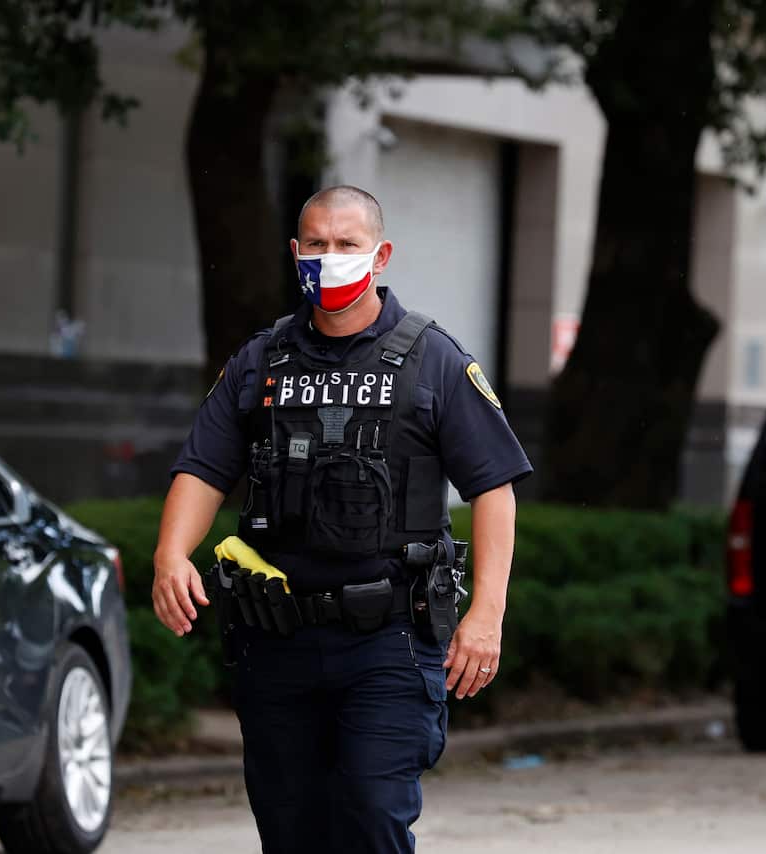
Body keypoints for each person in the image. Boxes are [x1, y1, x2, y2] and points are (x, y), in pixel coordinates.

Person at [152, 185, 532, 853]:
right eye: (317, 245)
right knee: (290, 830)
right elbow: (204, 467)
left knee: (369, 814)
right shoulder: (261, 359)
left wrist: (487, 613)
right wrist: (170, 554)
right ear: (295, 253)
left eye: (347, 245)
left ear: (380, 255)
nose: (330, 258)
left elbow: (494, 488)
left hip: (388, 640)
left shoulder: (434, 359)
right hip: (277, 640)